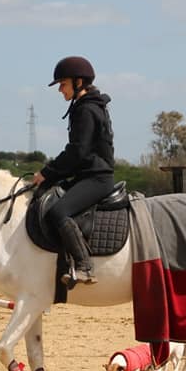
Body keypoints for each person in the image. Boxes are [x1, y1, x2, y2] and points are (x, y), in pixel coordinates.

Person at [32, 56, 115, 287]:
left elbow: (77, 152)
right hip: (86, 175)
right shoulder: (85, 106)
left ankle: (85, 266)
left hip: (97, 178)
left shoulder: (86, 109)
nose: (60, 89)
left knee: (58, 212)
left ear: (79, 82)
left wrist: (47, 172)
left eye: (63, 84)